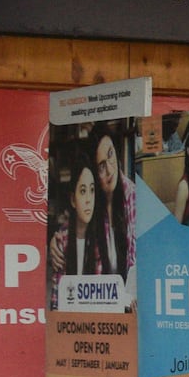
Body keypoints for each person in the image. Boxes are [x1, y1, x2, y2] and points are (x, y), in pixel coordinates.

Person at [48, 161, 100, 306]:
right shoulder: (62, 240)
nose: (89, 200)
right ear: (73, 199)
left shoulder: (102, 237)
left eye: (92, 190)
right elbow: (56, 299)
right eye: (83, 191)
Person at [88, 125, 134, 279]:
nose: (109, 169)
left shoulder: (133, 196)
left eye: (110, 154)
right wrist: (57, 240)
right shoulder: (93, 201)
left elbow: (135, 264)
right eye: (101, 166)